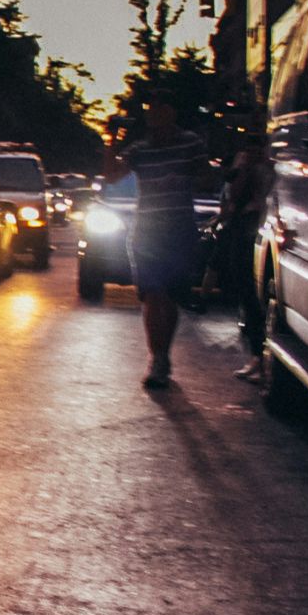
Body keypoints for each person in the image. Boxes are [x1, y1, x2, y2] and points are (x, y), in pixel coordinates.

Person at [103, 88, 207, 389]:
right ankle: (156, 358)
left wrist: (185, 178)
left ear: (171, 112)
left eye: (159, 108)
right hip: (147, 230)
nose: (153, 114)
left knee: (171, 295)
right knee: (152, 293)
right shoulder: (140, 149)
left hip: (178, 228)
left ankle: (164, 353)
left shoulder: (190, 143)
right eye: (150, 109)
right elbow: (111, 175)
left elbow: (206, 177)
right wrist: (110, 139)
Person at [217, 131, 273, 381]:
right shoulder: (241, 164)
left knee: (256, 296)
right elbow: (232, 197)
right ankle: (256, 357)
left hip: (260, 230)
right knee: (244, 290)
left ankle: (261, 357)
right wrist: (244, 169)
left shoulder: (272, 168)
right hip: (242, 228)